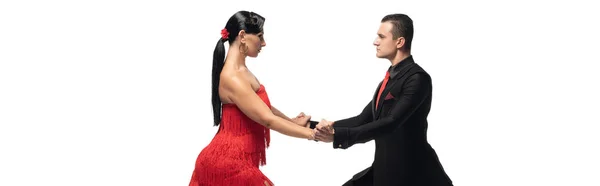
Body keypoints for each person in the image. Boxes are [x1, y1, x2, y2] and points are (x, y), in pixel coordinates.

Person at [313, 14, 453, 186]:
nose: (375, 42)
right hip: (384, 171)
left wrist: (337, 136)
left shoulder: (417, 79)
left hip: (414, 175)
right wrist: (312, 126)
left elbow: (391, 122)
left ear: (399, 42)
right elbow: (361, 120)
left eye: (381, 37)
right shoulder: (388, 81)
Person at [188, 10, 317, 186]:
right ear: (242, 36)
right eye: (259, 36)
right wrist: (313, 134)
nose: (263, 43)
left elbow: (260, 108)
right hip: (228, 163)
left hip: (235, 161)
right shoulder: (233, 77)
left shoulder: (241, 71)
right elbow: (267, 120)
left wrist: (293, 122)